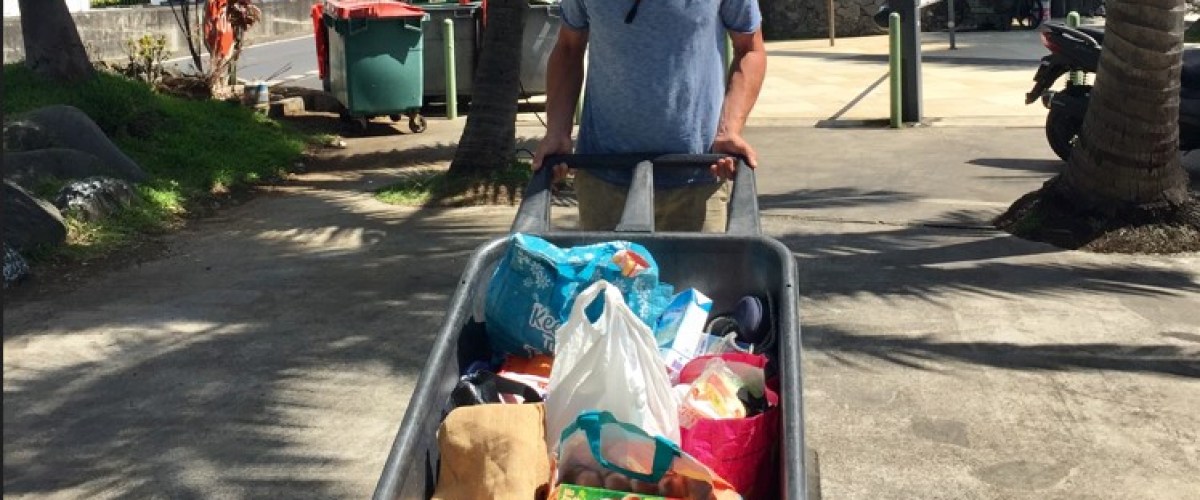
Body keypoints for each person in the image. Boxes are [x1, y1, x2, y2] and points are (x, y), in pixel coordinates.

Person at [531, 0, 767, 232]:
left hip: (698, 180)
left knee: (697, 272)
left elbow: (750, 49)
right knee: (608, 273)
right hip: (604, 179)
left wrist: (729, 130)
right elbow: (569, 48)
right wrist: (557, 132)